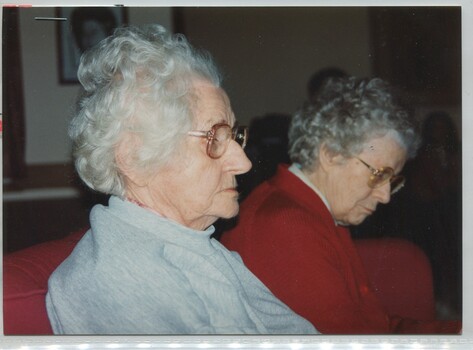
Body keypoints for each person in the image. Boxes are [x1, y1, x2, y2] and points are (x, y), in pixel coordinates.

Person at [45, 24, 317, 335]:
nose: (242, 163)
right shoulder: (118, 281)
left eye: (235, 136)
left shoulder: (197, 245)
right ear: (134, 157)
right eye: (214, 137)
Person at [221, 76, 461, 334]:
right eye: (379, 175)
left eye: (392, 180)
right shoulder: (286, 225)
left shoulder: (312, 209)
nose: (385, 196)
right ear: (330, 154)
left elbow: (373, 328)